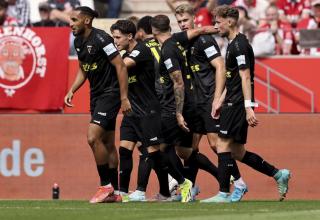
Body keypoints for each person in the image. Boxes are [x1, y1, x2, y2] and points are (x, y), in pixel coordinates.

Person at [201, 5, 291, 203]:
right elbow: (233, 77)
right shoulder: (233, 43)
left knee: (222, 144)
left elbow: (245, 76)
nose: (216, 26)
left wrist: (249, 106)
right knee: (237, 152)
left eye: (218, 21)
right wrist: (220, 99)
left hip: (238, 103)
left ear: (230, 21)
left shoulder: (239, 45)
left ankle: (224, 193)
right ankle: (278, 174)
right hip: (232, 100)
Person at [111, 19, 195, 203]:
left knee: (154, 152)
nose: (115, 41)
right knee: (125, 149)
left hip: (148, 110)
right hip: (132, 110)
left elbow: (122, 67)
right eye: (113, 37)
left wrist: (105, 54)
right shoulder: (126, 53)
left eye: (117, 37)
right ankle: (124, 192)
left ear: (130, 36)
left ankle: (183, 182)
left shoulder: (141, 50)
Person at [174, 3, 248, 202]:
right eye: (179, 21)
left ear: (194, 19)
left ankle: (238, 182)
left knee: (217, 145)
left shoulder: (205, 41)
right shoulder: (182, 42)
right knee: (185, 149)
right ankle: (190, 188)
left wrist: (216, 97)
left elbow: (220, 66)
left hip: (208, 99)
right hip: (193, 102)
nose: (182, 24)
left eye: (185, 20)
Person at [64, 6, 132, 203]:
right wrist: (72, 90)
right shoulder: (78, 42)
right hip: (96, 96)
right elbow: (83, 70)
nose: (71, 24)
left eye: (74, 20)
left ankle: (105, 186)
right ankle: (116, 193)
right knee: (109, 144)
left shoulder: (102, 38)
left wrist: (124, 97)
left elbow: (120, 66)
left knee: (93, 137)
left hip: (110, 94)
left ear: (86, 21)